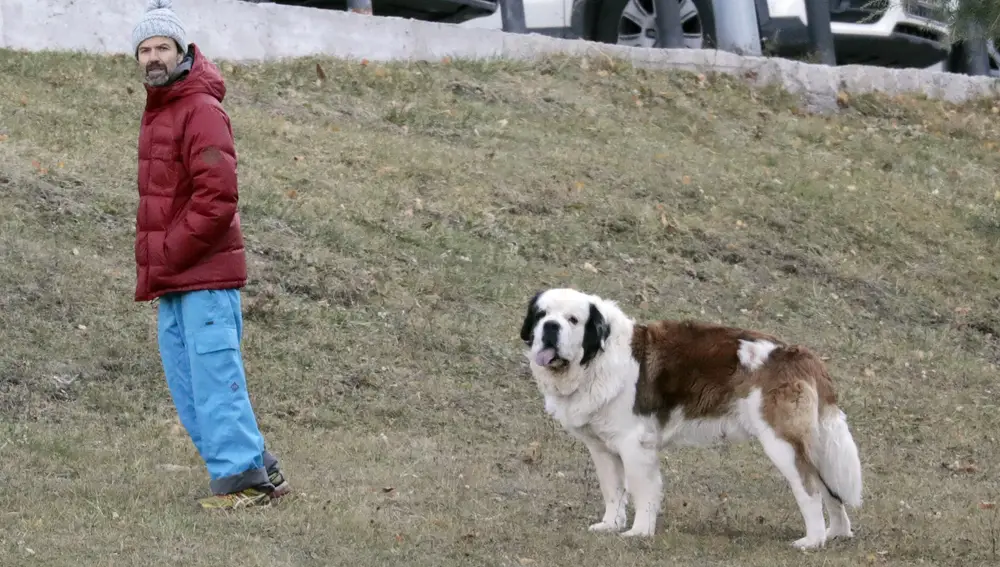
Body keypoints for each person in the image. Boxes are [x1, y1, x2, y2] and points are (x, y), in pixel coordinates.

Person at [130, 0, 291, 510]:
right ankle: (258, 467)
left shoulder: (200, 107)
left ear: (181, 51)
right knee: (190, 384)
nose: (154, 57)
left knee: (214, 379)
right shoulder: (164, 106)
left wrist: (170, 251)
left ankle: (244, 483)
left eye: (163, 47)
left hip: (202, 274)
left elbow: (217, 198)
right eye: (146, 49)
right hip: (176, 276)